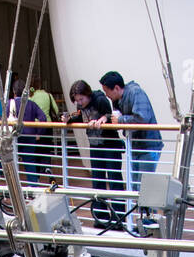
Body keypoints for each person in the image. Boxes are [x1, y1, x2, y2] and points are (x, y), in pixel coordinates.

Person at [65, 79, 126, 225]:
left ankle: (118, 218)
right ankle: (100, 217)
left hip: (109, 147)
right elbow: (80, 115)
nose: (79, 102)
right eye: (77, 100)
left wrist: (100, 119)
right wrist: (69, 118)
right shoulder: (83, 106)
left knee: (114, 181)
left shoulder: (100, 100)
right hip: (96, 147)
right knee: (98, 181)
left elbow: (110, 116)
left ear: (87, 95)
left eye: (81, 99)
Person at [97, 70, 163, 190]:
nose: (106, 95)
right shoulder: (117, 100)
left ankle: (146, 209)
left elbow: (142, 118)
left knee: (144, 189)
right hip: (135, 146)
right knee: (136, 187)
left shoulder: (136, 92)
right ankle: (141, 209)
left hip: (148, 146)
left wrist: (121, 120)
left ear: (116, 88)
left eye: (107, 91)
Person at [7, 77, 47, 187]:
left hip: (14, 137)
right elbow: (43, 118)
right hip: (30, 136)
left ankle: (14, 187)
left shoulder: (10, 104)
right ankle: (33, 186)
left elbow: (4, 119)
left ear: (14, 92)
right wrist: (39, 133)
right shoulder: (31, 104)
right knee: (29, 162)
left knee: (12, 161)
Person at [30, 77, 60, 178]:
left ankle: (37, 174)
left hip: (34, 126)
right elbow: (55, 110)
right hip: (47, 125)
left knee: (35, 150)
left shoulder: (31, 96)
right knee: (46, 149)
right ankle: (47, 169)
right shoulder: (48, 95)